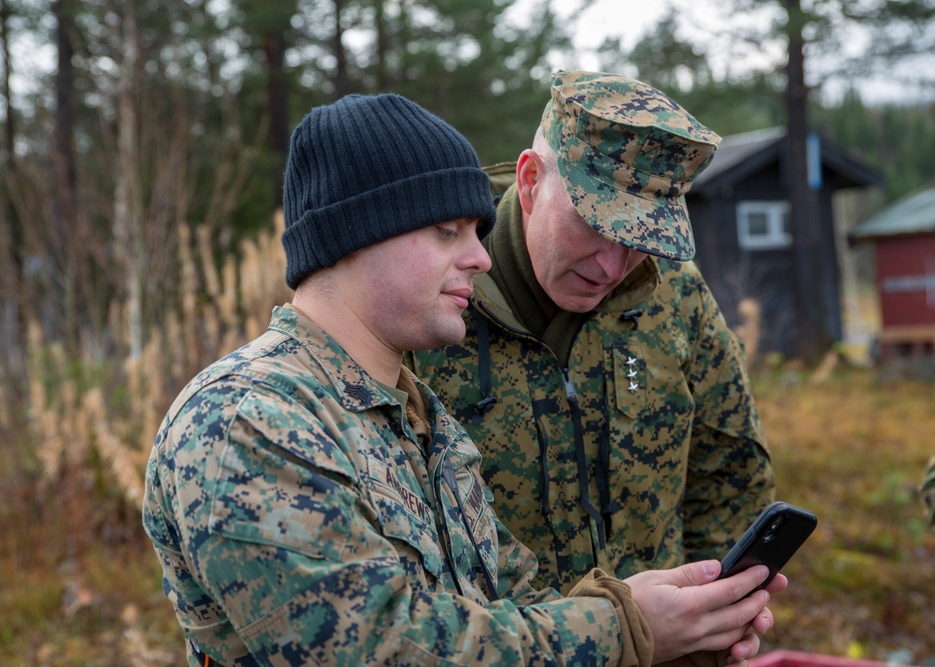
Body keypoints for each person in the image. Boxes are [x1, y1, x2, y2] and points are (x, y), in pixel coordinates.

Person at [143, 92, 783, 666]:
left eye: (475, 231)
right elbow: (385, 647)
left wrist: (672, 617)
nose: (478, 258)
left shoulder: (418, 419)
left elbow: (508, 597)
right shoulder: (247, 421)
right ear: (356, 237)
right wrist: (623, 628)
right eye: (446, 231)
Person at [409, 71, 776, 600]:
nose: (612, 266)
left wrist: (710, 617)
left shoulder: (672, 294)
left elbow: (731, 476)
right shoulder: (428, 294)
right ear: (531, 179)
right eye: (598, 226)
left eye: (640, 239)